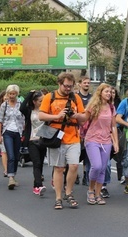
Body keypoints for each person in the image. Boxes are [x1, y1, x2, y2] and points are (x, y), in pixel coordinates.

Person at [38, 72, 86, 209]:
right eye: (66, 86)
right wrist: (57, 116)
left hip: (73, 137)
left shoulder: (76, 98)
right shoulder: (50, 97)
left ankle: (69, 192)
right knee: (59, 168)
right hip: (56, 137)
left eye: (70, 86)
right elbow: (41, 115)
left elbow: (83, 118)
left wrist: (76, 115)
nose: (68, 89)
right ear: (59, 83)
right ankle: (58, 197)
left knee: (74, 165)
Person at [84, 83, 118, 205]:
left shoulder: (112, 107)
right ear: (100, 93)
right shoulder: (93, 106)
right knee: (96, 166)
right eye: (106, 91)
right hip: (92, 139)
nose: (109, 93)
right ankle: (90, 190)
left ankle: (98, 194)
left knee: (103, 168)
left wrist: (116, 142)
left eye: (110, 92)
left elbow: (113, 126)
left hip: (106, 141)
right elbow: (84, 119)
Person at [0, 85, 25, 190]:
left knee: (17, 156)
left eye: (13, 94)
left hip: (18, 132)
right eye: (10, 94)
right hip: (7, 132)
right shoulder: (4, 105)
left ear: (17, 94)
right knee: (11, 155)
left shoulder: (21, 104)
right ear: (7, 94)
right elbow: (0, 121)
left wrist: (24, 132)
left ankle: (13, 174)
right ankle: (11, 177)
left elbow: (24, 119)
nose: (12, 96)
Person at [20, 90, 47, 196]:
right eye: (40, 101)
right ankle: (39, 185)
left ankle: (36, 185)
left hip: (43, 140)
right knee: (36, 163)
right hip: (32, 140)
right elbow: (21, 107)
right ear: (34, 101)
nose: (42, 102)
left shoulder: (45, 111)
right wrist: (30, 94)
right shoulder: (29, 111)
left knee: (40, 163)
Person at [77, 76, 92, 186]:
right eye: (85, 82)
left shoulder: (92, 98)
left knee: (87, 153)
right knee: (77, 153)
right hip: (77, 129)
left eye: (88, 83)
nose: (87, 84)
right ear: (80, 84)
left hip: (89, 130)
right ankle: (75, 174)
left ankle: (86, 174)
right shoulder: (76, 97)